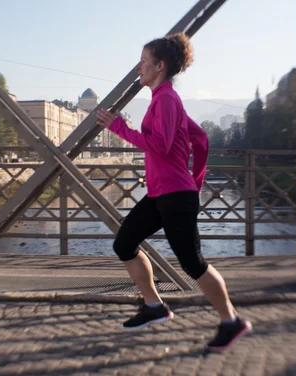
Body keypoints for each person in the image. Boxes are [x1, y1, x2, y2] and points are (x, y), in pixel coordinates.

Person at [96, 32, 252, 352]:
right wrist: (194, 180)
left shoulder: (166, 99)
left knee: (193, 263)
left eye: (143, 62)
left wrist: (120, 128)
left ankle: (231, 321)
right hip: (163, 193)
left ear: (160, 66)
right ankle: (154, 306)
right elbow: (201, 139)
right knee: (124, 243)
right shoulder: (163, 100)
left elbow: (160, 146)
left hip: (174, 195)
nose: (138, 68)